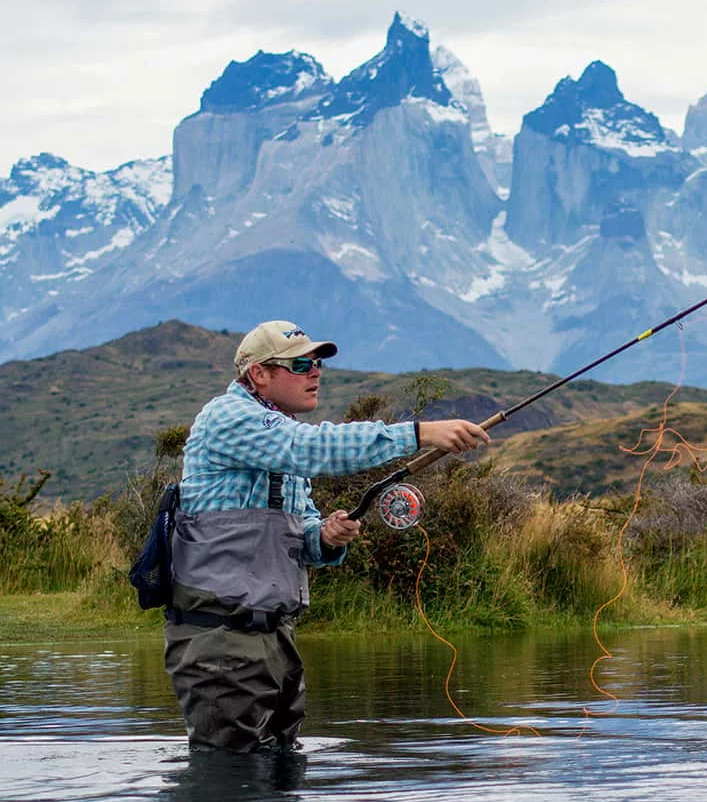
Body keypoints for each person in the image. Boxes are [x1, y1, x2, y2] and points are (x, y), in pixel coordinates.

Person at [165, 320, 489, 752]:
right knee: (229, 783)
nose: (315, 372)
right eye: (300, 364)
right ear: (258, 373)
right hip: (221, 639)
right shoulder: (228, 418)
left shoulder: (277, 437)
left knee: (280, 773)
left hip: (275, 638)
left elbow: (305, 542)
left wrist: (327, 537)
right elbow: (311, 449)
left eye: (317, 364)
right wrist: (420, 433)